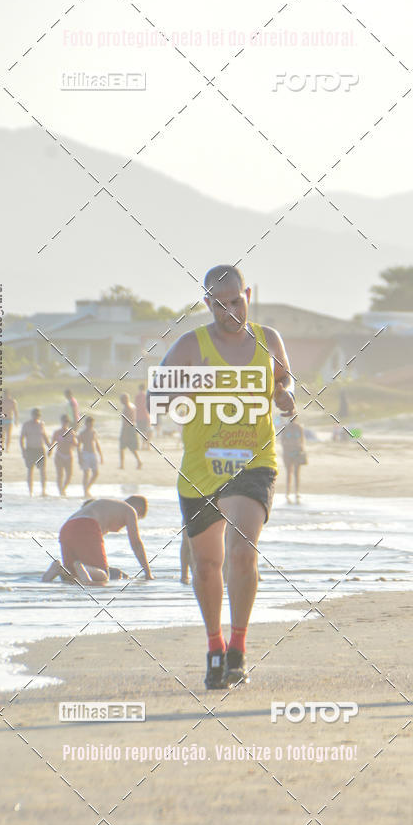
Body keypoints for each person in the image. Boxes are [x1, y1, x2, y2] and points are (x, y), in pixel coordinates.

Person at [154, 265, 295, 689]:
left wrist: (285, 394)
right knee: (207, 564)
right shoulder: (190, 346)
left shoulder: (268, 340)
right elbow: (158, 393)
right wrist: (185, 391)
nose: (230, 311)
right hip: (201, 466)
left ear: (247, 294)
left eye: (236, 301)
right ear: (207, 304)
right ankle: (214, 646)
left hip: (254, 460)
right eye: (219, 305)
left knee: (240, 552)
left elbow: (283, 380)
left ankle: (238, 648)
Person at [42, 496, 153, 584]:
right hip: (88, 525)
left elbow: (88, 542)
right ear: (138, 509)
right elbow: (136, 543)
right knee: (103, 576)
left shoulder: (109, 507)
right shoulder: (130, 510)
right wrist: (148, 573)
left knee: (72, 577)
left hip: (67, 527)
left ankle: (58, 568)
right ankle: (84, 568)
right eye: (138, 518)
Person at [20, 408, 51, 496]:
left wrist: (50, 447)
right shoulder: (26, 425)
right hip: (30, 450)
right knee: (30, 471)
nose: (36, 417)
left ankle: (43, 491)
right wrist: (23, 451)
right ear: (32, 415)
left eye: (38, 415)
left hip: (40, 450)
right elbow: (21, 438)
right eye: (35, 415)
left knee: (42, 471)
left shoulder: (41, 424)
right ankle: (30, 491)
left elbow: (44, 436)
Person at [51, 414, 78, 496]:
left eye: (66, 422)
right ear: (61, 422)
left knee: (69, 475)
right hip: (59, 455)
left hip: (68, 455)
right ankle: (60, 491)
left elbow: (75, 444)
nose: (65, 423)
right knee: (60, 474)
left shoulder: (71, 432)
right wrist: (49, 451)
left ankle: (63, 488)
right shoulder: (57, 432)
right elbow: (52, 443)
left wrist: (73, 442)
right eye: (64, 421)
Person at [281, 417, 306, 503]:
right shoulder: (285, 428)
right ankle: (287, 493)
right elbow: (282, 441)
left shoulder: (299, 428)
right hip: (287, 453)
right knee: (289, 473)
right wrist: (288, 446)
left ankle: (296, 492)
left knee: (296, 473)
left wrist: (301, 450)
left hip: (297, 452)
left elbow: (302, 440)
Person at [78, 416, 103, 497]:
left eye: (92, 424)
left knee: (96, 473)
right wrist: (79, 458)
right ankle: (85, 491)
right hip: (85, 453)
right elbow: (78, 446)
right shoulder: (82, 433)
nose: (91, 425)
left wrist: (101, 455)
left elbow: (97, 444)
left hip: (93, 454)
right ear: (86, 424)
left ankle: (87, 488)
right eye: (89, 424)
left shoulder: (94, 432)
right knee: (86, 473)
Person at [119, 393, 142, 469]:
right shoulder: (132, 406)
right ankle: (139, 461)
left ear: (125, 399)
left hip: (127, 429)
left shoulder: (127, 408)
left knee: (122, 447)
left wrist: (125, 434)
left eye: (121, 399)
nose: (121, 401)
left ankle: (122, 465)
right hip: (133, 428)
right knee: (132, 447)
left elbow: (126, 422)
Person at [134, 383, 151, 449]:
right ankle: (147, 446)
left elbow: (136, 406)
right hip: (146, 416)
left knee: (142, 432)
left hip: (138, 416)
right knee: (147, 431)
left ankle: (142, 445)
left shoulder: (137, 396)